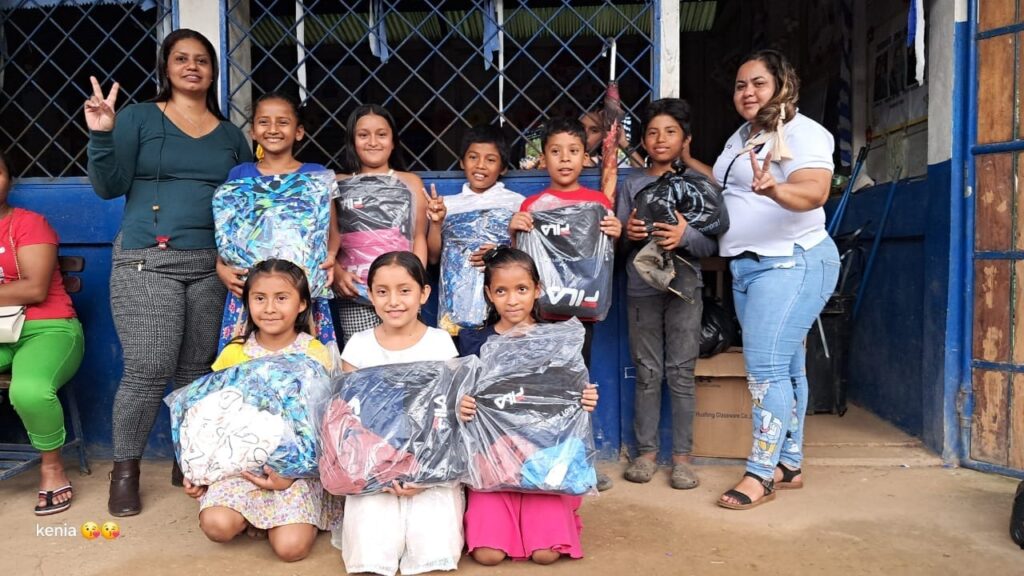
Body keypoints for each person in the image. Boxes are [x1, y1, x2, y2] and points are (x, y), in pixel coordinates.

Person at [85, 28, 252, 516]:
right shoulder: (139, 117)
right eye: (181, 58)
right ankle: (125, 472)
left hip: (212, 265)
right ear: (166, 68)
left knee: (195, 369)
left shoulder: (230, 135)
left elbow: (248, 198)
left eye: (201, 59)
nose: (192, 66)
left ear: (213, 72)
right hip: (148, 260)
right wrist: (101, 133)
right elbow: (107, 185)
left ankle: (188, 458)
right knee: (149, 367)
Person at [711, 50, 839, 510]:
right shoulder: (744, 135)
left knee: (764, 372)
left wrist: (776, 189)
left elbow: (815, 191)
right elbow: (733, 186)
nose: (748, 92)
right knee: (787, 368)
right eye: (741, 85)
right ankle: (790, 464)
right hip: (749, 267)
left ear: (783, 85)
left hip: (791, 262)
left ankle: (760, 474)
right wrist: (687, 161)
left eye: (758, 83)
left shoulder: (803, 132)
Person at [182, 259, 341, 562]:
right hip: (241, 466)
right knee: (216, 526)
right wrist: (198, 469)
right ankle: (252, 517)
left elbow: (322, 425)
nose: (269, 308)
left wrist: (291, 474)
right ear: (247, 302)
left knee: (290, 549)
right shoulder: (234, 353)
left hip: (297, 472)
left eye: (281, 298)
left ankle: (296, 517)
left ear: (302, 304)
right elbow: (210, 417)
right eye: (259, 298)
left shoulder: (314, 353)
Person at [457, 245, 598, 565]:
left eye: (521, 289)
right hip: (493, 458)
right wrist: (462, 406)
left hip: (545, 455)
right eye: (501, 291)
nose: (512, 299)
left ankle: (553, 516)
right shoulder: (472, 341)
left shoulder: (559, 340)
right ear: (489, 294)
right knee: (488, 554)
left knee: (546, 554)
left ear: (537, 289)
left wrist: (587, 399)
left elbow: (570, 398)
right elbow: (461, 398)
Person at [509, 116, 620, 492]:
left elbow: (605, 257)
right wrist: (515, 229)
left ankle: (580, 461)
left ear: (586, 157)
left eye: (573, 151)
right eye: (555, 151)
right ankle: (542, 458)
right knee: (541, 387)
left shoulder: (598, 203)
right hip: (542, 314)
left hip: (580, 316)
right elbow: (520, 263)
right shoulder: (532, 205)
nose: (565, 158)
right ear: (543, 158)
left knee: (578, 387)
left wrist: (617, 232)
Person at [336, 251, 463, 575]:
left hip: (429, 464)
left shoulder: (440, 344)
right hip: (373, 466)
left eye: (404, 290)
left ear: (424, 293)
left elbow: (446, 416)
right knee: (370, 552)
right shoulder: (358, 346)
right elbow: (349, 419)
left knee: (432, 550)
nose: (393, 301)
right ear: (370, 294)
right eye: (382, 291)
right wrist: (378, 470)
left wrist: (425, 473)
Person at [616, 98, 717, 490]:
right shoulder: (632, 184)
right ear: (643, 139)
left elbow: (712, 244)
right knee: (647, 372)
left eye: (670, 132)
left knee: (680, 372)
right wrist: (628, 235)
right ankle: (645, 454)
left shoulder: (699, 184)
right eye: (653, 132)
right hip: (642, 287)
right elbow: (618, 245)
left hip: (685, 289)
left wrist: (684, 235)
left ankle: (682, 459)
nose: (660, 139)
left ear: (685, 139)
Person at [216, 91, 339, 349]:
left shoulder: (317, 176)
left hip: (303, 289)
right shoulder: (239, 176)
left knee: (307, 356)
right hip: (252, 292)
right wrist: (221, 267)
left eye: (283, 122)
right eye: (264, 122)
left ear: (299, 131)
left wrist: (331, 256)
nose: (273, 129)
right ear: (252, 131)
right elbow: (227, 233)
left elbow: (332, 231)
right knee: (247, 358)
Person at [0, 148, 85, 515]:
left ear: (9, 180)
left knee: (30, 391)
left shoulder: (28, 223)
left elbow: (34, 289)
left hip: (47, 327)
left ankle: (52, 467)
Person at [332, 105, 428, 345]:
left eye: (382, 134)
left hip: (402, 293)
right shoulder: (337, 184)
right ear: (352, 141)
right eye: (363, 135)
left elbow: (419, 237)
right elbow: (327, 237)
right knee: (362, 355)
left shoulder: (410, 182)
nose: (373, 142)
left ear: (393, 141)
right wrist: (337, 273)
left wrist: (415, 282)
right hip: (355, 292)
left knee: (405, 353)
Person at [425, 124, 525, 267]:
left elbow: (526, 255)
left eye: (490, 160)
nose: (480, 165)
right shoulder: (446, 205)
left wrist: (500, 253)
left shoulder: (516, 203)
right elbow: (433, 258)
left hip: (501, 280)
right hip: (455, 281)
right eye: (473, 157)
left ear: (503, 168)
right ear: (462, 162)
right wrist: (436, 224)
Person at [579, 109, 644, 168]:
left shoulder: (611, 164)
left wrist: (623, 143)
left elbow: (643, 173)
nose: (585, 134)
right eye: (581, 128)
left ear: (604, 136)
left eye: (594, 130)